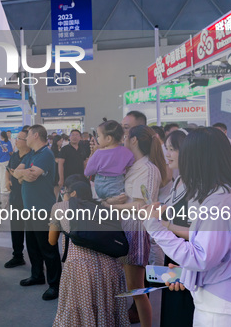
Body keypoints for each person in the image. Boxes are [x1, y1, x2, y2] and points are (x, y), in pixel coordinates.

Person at [143, 127, 231, 325]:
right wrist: (187, 273)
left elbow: (200, 258)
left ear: (196, 159)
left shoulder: (219, 201)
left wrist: (155, 227)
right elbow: (222, 256)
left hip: (223, 310)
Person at [102, 125, 168, 327]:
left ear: (134, 140)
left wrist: (114, 206)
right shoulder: (136, 165)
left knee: (136, 288)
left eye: (125, 137)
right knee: (132, 286)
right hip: (125, 229)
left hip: (136, 231)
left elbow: (142, 204)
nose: (122, 141)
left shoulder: (148, 169)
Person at [49, 180, 130, 327]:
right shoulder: (104, 209)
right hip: (110, 269)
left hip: (79, 268)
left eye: (65, 192)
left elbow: (51, 240)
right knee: (105, 311)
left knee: (80, 310)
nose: (63, 195)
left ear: (72, 193)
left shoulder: (60, 207)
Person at [13, 125, 61, 301]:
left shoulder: (45, 154)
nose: (25, 138)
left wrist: (21, 174)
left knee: (48, 248)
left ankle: (55, 284)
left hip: (43, 210)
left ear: (36, 135)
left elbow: (31, 174)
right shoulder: (31, 155)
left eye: (27, 135)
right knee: (32, 246)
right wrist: (22, 173)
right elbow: (16, 174)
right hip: (29, 210)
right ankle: (37, 275)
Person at [157, 128, 195, 327]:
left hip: (188, 254)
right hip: (173, 251)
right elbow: (172, 209)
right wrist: (158, 210)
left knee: (183, 308)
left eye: (172, 149)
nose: (167, 154)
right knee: (172, 304)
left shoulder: (197, 185)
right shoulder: (179, 179)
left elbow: (197, 233)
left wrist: (165, 225)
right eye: (166, 148)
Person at [84, 120, 134, 200]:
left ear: (108, 138)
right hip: (117, 186)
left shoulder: (98, 153)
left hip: (100, 187)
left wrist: (93, 153)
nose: (97, 138)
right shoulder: (127, 152)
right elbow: (130, 166)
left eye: (99, 136)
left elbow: (87, 172)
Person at [3, 129, 30, 268]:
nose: (16, 141)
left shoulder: (32, 156)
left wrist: (19, 176)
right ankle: (18, 255)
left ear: (27, 141)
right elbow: (8, 170)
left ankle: (36, 259)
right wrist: (7, 180)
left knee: (32, 230)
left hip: (29, 198)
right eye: (16, 138)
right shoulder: (15, 156)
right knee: (16, 227)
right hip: (15, 197)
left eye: (19, 138)